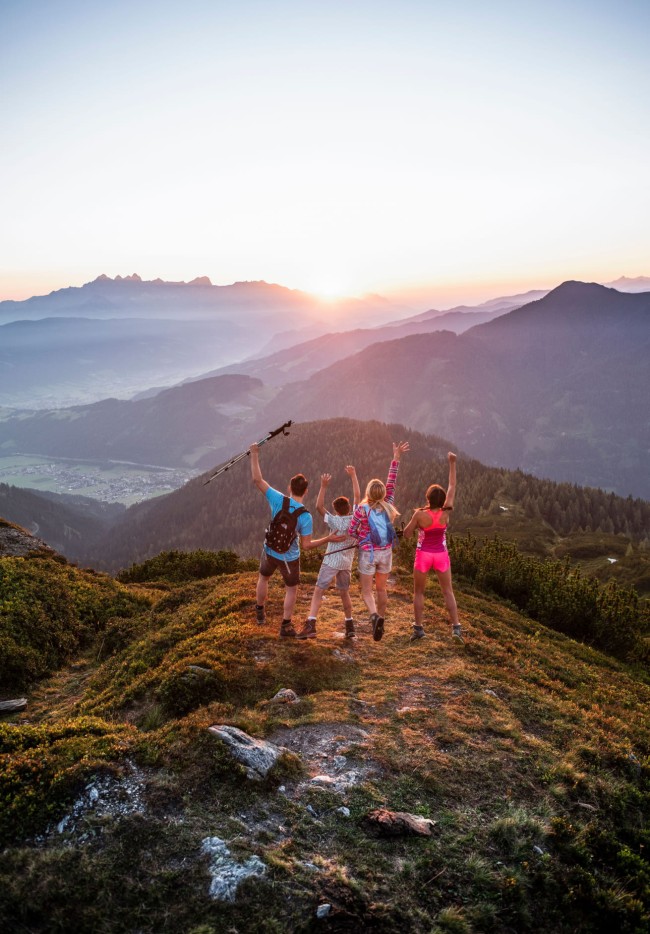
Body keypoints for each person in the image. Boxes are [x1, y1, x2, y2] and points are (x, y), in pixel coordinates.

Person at [249, 442, 334, 638]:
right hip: (289, 557)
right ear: (305, 491)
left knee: (263, 578)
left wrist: (254, 454)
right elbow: (306, 545)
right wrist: (328, 539)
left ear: (289, 488)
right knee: (291, 589)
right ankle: (286, 626)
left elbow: (257, 479)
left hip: (269, 549)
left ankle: (260, 613)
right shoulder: (305, 516)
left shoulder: (277, 498)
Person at [348, 441, 410, 641]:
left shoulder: (361, 509)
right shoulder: (388, 505)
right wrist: (396, 457)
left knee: (367, 590)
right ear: (383, 493)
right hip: (386, 553)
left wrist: (361, 540)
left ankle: (374, 616)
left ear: (367, 493)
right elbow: (392, 480)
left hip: (368, 553)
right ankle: (380, 620)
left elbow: (351, 530)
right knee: (381, 588)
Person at [297, 466, 361, 641]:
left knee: (319, 590)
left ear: (336, 509)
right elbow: (357, 496)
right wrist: (353, 476)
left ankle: (311, 625)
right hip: (346, 564)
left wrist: (323, 486)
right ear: (349, 507)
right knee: (344, 592)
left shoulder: (335, 521)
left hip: (331, 561)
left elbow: (318, 506)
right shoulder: (355, 519)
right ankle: (350, 626)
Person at [403, 452, 462, 643]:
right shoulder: (446, 512)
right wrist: (452, 463)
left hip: (423, 556)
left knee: (419, 592)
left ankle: (419, 629)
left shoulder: (420, 515)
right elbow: (452, 485)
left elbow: (407, 534)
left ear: (427, 498)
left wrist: (412, 525)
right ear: (443, 499)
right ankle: (456, 628)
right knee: (448, 591)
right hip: (441, 555)